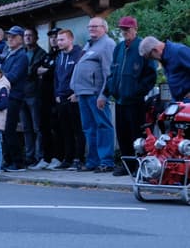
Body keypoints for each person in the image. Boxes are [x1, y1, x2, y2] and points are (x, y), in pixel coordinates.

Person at [103, 16, 157, 176]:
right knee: (122, 134)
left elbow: (151, 74)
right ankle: (126, 165)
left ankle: (139, 165)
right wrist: (110, 90)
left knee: (137, 135)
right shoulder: (118, 48)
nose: (125, 31)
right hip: (120, 99)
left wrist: (138, 92)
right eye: (123, 29)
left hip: (135, 101)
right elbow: (113, 71)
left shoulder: (142, 47)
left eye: (128, 29)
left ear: (135, 29)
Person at [71, 17, 115, 172]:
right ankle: (93, 161)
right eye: (90, 27)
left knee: (103, 126)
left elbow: (108, 72)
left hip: (96, 93)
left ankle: (106, 161)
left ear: (104, 28)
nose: (91, 29)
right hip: (83, 93)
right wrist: (75, 90)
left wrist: (104, 94)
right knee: (89, 128)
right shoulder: (89, 44)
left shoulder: (107, 44)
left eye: (95, 26)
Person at [54, 29, 85, 170]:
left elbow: (81, 75)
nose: (59, 42)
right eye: (58, 40)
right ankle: (68, 158)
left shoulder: (79, 54)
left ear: (71, 40)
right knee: (65, 130)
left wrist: (76, 93)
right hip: (61, 98)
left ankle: (79, 158)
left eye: (62, 39)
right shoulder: (59, 56)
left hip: (73, 98)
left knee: (77, 130)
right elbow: (56, 77)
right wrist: (56, 94)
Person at [32, 27, 62, 170]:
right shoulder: (48, 55)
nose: (54, 39)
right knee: (43, 128)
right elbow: (34, 69)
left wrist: (44, 71)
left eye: (56, 36)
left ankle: (57, 157)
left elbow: (54, 72)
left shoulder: (62, 55)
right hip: (42, 97)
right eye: (51, 37)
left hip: (55, 98)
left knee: (56, 128)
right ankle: (46, 157)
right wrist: (41, 71)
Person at [1, 26, 28, 171]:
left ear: (20, 38)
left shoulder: (22, 56)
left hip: (14, 96)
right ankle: (8, 160)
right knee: (5, 130)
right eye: (9, 36)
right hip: (6, 95)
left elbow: (14, 76)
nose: (9, 39)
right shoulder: (9, 54)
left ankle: (18, 162)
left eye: (13, 36)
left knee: (9, 129)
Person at [21, 28, 45, 168]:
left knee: (37, 127)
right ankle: (29, 156)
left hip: (35, 94)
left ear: (36, 37)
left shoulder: (41, 53)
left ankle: (38, 155)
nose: (28, 38)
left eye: (30, 35)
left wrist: (29, 71)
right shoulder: (22, 53)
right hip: (22, 94)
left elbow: (32, 70)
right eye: (26, 35)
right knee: (26, 128)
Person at [139, 36, 190, 101]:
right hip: (178, 100)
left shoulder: (179, 51)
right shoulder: (164, 58)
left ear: (155, 50)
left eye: (150, 57)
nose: (152, 60)